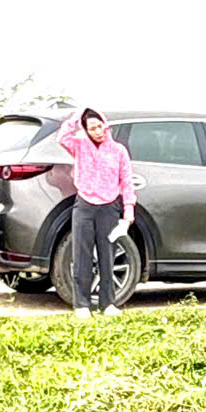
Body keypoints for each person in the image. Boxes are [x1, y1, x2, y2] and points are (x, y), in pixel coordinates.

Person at [55, 104, 135, 319]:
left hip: (109, 206)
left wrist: (128, 211)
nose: (98, 132)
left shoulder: (118, 150)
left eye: (100, 126)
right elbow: (62, 137)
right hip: (85, 205)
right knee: (81, 253)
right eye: (92, 128)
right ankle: (81, 303)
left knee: (107, 252)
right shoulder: (79, 145)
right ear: (85, 130)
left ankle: (107, 302)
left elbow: (126, 182)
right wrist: (79, 114)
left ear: (105, 126)